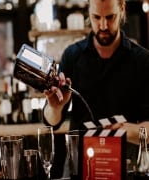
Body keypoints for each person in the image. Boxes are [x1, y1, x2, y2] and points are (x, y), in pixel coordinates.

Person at [43, 0, 149, 169]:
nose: (103, 25)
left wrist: (125, 131)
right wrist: (55, 108)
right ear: (88, 13)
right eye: (96, 17)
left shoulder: (142, 60)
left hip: (126, 166)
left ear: (122, 10)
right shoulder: (72, 56)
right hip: (80, 165)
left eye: (110, 17)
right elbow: (51, 123)